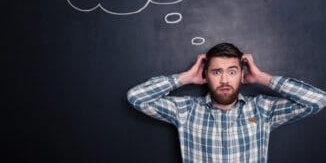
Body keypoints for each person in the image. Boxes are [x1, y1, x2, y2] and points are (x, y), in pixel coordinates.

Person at [127, 43, 326, 163]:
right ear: (205, 76)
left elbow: (317, 101)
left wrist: (264, 78)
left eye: (232, 71)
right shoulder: (185, 110)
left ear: (242, 75)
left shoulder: (263, 110)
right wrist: (185, 78)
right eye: (216, 72)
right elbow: (137, 97)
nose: (224, 80)